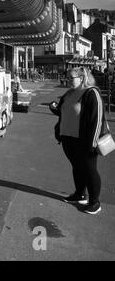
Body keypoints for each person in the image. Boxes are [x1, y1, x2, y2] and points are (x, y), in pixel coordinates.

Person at [49, 66, 107, 215]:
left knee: (89, 170)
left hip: (85, 140)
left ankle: (95, 202)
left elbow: (97, 119)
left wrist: (92, 142)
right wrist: (54, 108)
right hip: (68, 138)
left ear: (82, 78)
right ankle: (80, 195)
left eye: (71, 78)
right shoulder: (70, 93)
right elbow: (63, 111)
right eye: (67, 77)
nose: (67, 80)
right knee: (77, 167)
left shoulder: (91, 93)